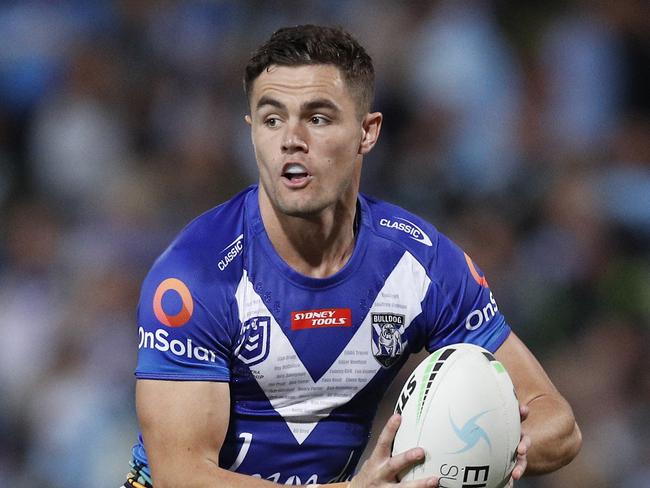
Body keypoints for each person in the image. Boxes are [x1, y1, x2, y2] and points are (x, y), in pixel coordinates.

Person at [126, 25, 581, 488]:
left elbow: (558, 425)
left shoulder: (419, 265)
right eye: (271, 119)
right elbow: (180, 476)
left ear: (368, 132)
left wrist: (486, 450)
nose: (291, 140)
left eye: (318, 119)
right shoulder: (196, 275)